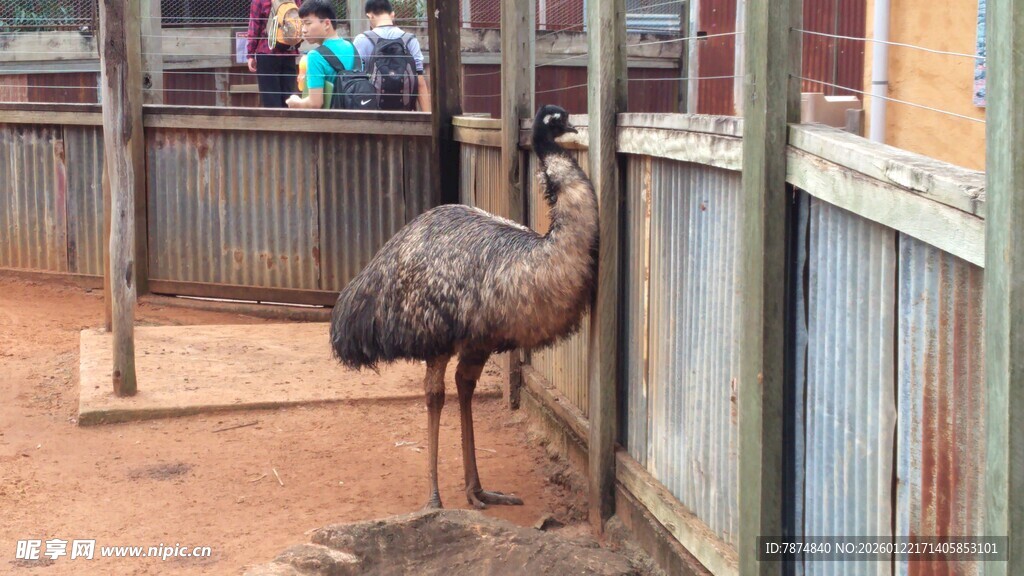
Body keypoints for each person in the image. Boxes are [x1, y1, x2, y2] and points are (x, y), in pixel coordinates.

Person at [353, 0, 431, 111]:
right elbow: (420, 82)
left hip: (372, 114)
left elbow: (357, 81)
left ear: (369, 16)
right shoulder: (410, 40)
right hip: (405, 114)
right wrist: (427, 116)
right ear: (392, 15)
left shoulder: (362, 40)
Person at [286, 0, 358, 109]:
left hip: (332, 118)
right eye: (303, 24)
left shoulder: (315, 56)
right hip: (356, 114)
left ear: (327, 24)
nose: (303, 30)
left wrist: (295, 102)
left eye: (308, 23)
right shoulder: (351, 47)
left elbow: (315, 103)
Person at [247, 0, 303, 108]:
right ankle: (289, 118)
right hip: (289, 52)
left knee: (271, 99)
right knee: (289, 97)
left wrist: (250, 54)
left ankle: (274, 119)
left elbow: (254, 27)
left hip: (267, 51)